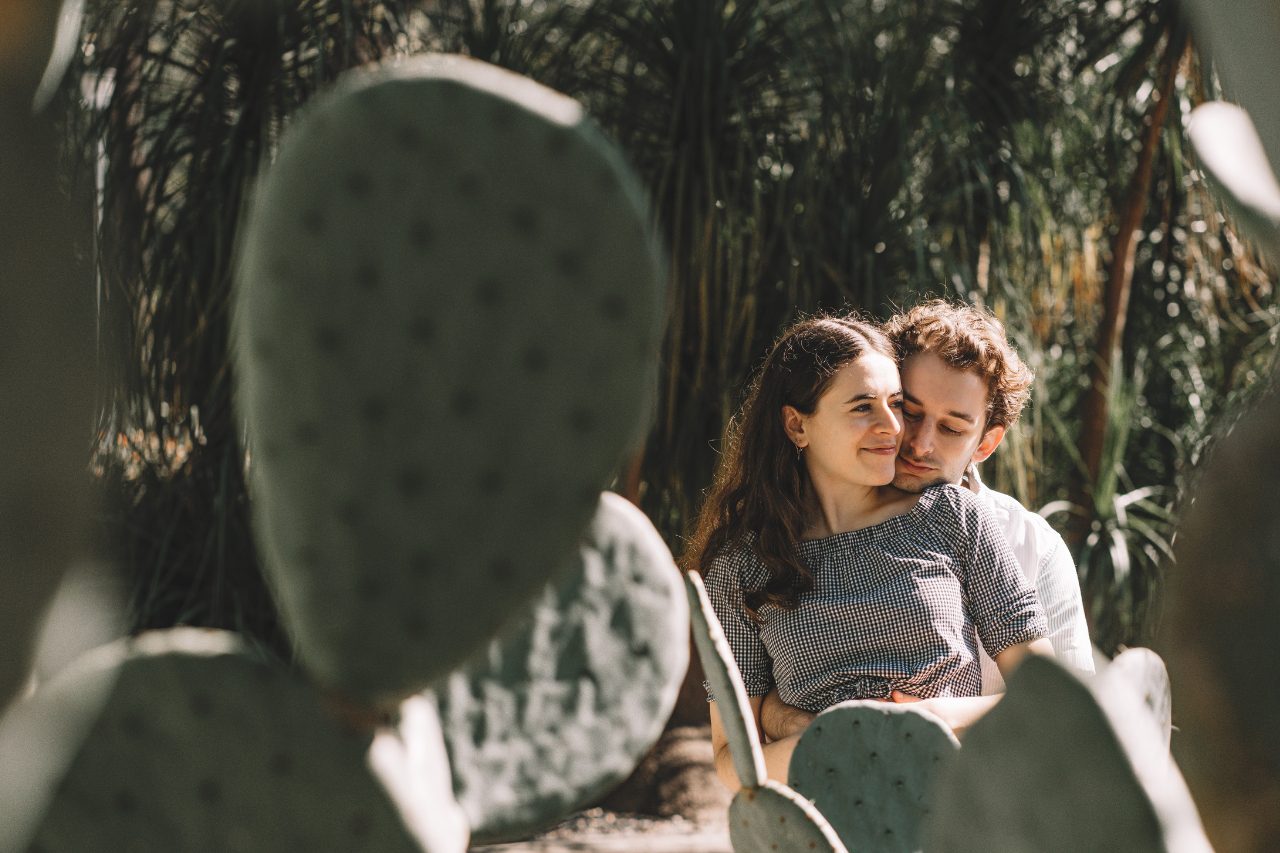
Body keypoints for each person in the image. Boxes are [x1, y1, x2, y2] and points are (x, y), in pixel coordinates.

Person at [683, 314, 1052, 792]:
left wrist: (931, 718)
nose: (894, 427)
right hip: (826, 824)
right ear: (797, 425)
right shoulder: (741, 566)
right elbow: (732, 757)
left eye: (895, 403)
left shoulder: (952, 515)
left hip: (952, 812)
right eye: (863, 407)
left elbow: (1044, 694)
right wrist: (835, 740)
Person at [758, 301, 1095, 747]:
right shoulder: (781, 541)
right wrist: (783, 716)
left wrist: (933, 718)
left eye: (952, 429)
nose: (917, 444)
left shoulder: (1034, 546)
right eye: (909, 412)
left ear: (986, 444)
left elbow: (1068, 713)